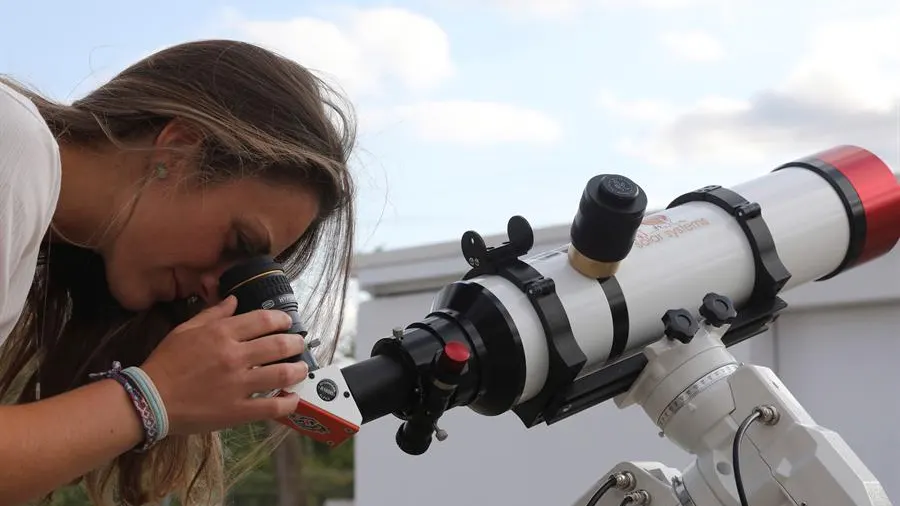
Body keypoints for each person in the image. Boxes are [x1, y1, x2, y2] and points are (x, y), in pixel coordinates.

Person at [0, 39, 356, 505]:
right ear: (179, 147)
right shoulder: (15, 146)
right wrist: (152, 397)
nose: (215, 289)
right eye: (239, 244)